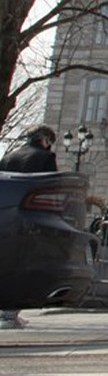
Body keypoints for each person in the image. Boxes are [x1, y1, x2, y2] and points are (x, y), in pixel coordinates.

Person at [0, 127, 56, 327]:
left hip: (5, 214)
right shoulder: (45, 157)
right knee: (24, 264)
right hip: (32, 216)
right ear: (45, 140)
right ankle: (10, 313)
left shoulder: (9, 157)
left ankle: (6, 311)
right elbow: (50, 188)